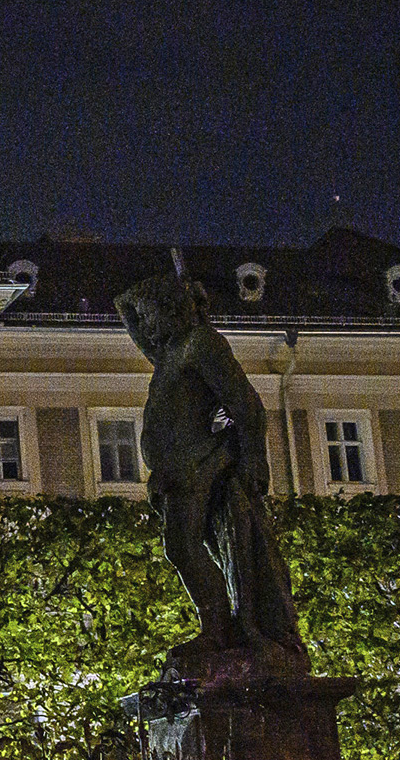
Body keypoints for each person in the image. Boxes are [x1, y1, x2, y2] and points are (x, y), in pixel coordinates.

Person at [116, 260, 308, 679]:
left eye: (151, 314)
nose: (146, 325)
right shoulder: (168, 354)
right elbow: (125, 307)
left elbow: (247, 404)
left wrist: (254, 458)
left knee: (181, 546)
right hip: (174, 471)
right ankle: (217, 628)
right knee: (186, 547)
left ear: (168, 310)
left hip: (200, 461)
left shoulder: (199, 344)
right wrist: (174, 296)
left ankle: (218, 630)